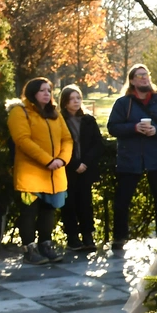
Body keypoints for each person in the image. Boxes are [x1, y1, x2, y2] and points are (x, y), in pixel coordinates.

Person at [108, 64, 157, 247]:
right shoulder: (123, 103)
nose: (144, 78)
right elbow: (112, 127)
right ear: (132, 80)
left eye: (146, 75)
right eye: (139, 76)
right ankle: (119, 238)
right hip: (129, 159)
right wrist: (134, 128)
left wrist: (156, 130)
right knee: (122, 200)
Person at [8, 78, 73, 265]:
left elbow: (67, 139)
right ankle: (29, 248)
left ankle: (46, 245)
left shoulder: (55, 113)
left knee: (48, 211)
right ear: (32, 93)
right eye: (42, 90)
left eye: (49, 90)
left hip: (55, 173)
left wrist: (61, 159)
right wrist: (48, 160)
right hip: (31, 173)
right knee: (29, 211)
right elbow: (23, 140)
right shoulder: (20, 112)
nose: (47, 94)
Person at [58, 85, 101, 253]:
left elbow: (97, 144)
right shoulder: (59, 120)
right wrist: (74, 164)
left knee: (85, 203)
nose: (76, 102)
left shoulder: (89, 120)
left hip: (86, 169)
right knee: (69, 204)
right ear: (65, 102)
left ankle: (88, 236)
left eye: (78, 98)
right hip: (67, 169)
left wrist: (85, 163)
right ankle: (72, 238)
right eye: (72, 99)